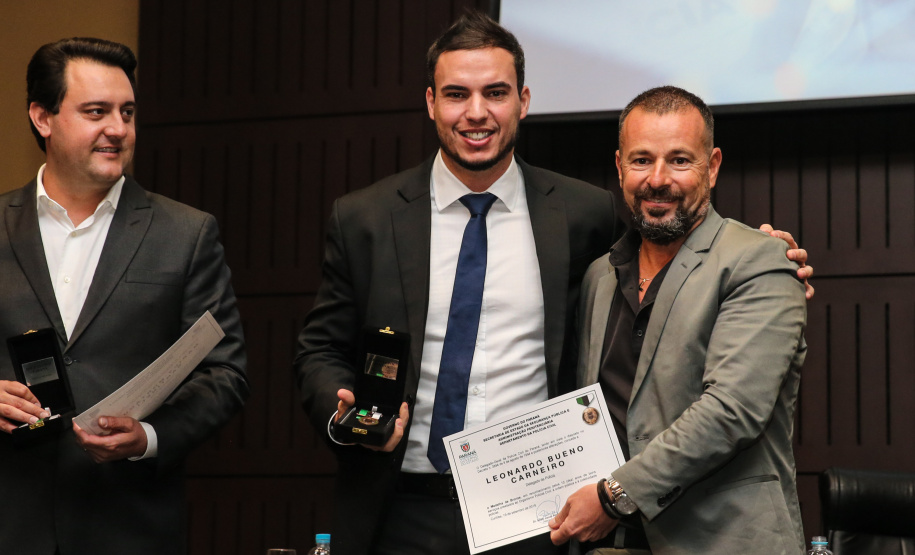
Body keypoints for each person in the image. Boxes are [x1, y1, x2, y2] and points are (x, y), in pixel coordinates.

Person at [294, 13, 810, 555]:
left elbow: (679, 258)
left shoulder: (582, 213)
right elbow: (320, 348)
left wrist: (768, 253)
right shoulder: (365, 218)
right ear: (430, 102)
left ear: (523, 100)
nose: (476, 113)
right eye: (456, 94)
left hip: (536, 515)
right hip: (398, 505)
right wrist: (343, 410)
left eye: (495, 92)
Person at [0, 38, 248, 555]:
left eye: (127, 112)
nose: (118, 128)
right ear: (43, 118)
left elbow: (226, 374)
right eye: (96, 112)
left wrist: (150, 437)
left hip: (129, 526)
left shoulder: (186, 232)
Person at [548, 86, 807, 555]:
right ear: (620, 166)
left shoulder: (760, 261)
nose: (658, 179)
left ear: (713, 167)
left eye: (680, 160)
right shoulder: (599, 277)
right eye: (642, 160)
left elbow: (731, 412)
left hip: (723, 541)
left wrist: (613, 497)